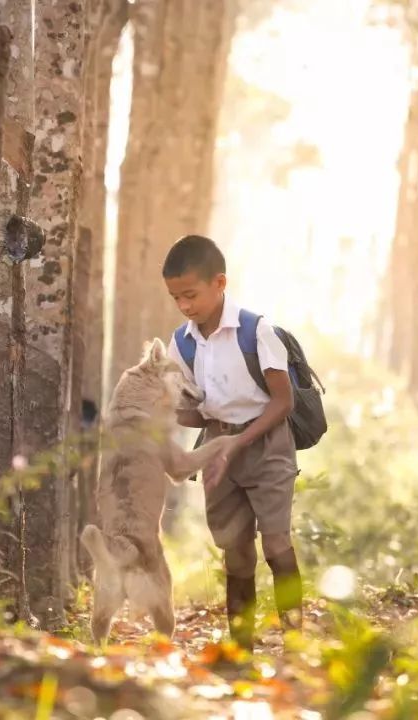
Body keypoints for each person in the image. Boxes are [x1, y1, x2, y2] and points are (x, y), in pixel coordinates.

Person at [163, 235, 302, 650]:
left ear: (219, 283)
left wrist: (238, 445)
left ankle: (296, 641)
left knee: (276, 543)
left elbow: (283, 400)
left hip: (267, 443)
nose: (185, 306)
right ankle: (241, 647)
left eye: (191, 294)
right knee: (236, 551)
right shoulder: (182, 343)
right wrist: (160, 410)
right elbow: (192, 411)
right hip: (217, 449)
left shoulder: (255, 330)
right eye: (176, 298)